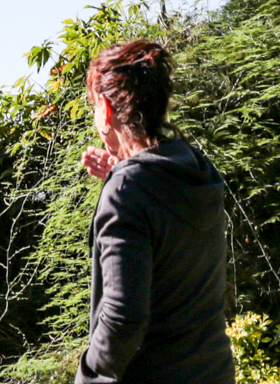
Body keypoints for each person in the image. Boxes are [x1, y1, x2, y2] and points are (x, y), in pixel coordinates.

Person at [77, 40, 234, 384]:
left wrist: (89, 375)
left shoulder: (128, 190)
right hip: (213, 372)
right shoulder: (198, 169)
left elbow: (124, 317)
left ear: (105, 107)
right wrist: (123, 171)